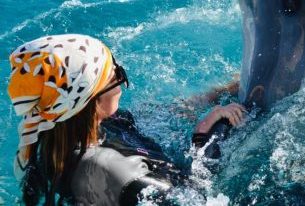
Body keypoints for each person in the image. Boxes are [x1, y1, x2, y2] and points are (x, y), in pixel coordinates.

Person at [7, 34, 245, 205]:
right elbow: (199, 198)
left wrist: (221, 92)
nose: (123, 81)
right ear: (91, 100)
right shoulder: (110, 169)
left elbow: (165, 112)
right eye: (116, 75)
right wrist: (203, 138)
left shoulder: (61, 128)